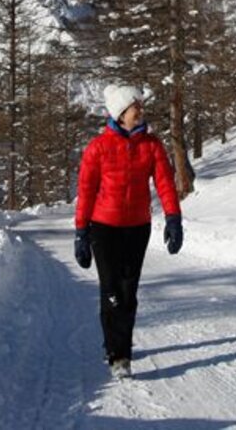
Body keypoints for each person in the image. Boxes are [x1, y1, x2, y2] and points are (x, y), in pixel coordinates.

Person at [74, 84, 184, 378]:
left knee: (128, 290)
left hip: (137, 227)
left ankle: (121, 351)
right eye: (136, 106)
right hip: (103, 228)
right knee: (111, 290)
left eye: (140, 106)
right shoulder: (98, 147)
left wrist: (173, 218)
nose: (141, 110)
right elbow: (86, 191)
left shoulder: (151, 145)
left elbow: (165, 183)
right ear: (121, 113)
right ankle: (115, 351)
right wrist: (81, 232)